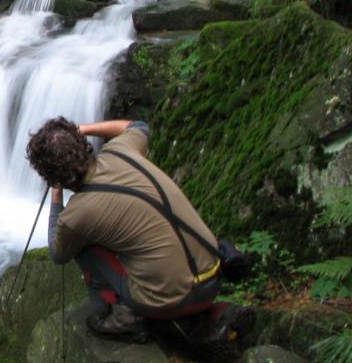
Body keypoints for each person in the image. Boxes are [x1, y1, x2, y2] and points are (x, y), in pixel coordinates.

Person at [25, 116, 253, 347]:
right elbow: (138, 126)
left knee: (84, 247)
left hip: (173, 301)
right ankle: (201, 317)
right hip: (214, 276)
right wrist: (83, 129)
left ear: (51, 175)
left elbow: (57, 252)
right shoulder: (121, 149)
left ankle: (123, 318)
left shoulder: (77, 214)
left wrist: (55, 197)